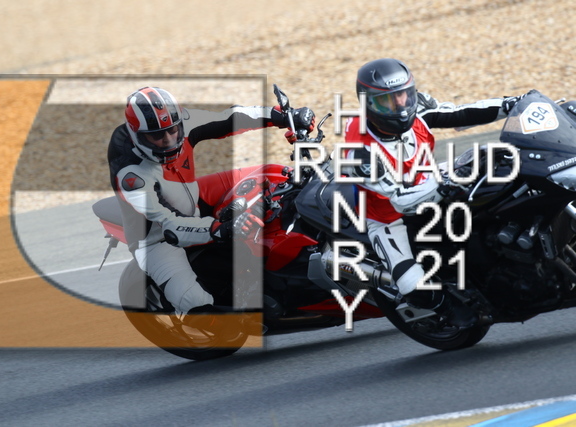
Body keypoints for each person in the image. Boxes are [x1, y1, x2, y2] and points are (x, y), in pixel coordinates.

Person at [342, 58, 526, 325]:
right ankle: (446, 309)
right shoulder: (359, 154)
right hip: (389, 216)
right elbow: (401, 201)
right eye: (387, 101)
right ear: (367, 104)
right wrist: (447, 183)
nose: (400, 106)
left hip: (431, 177)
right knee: (411, 285)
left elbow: (460, 114)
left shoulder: (416, 106)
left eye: (404, 95)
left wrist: (511, 105)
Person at [108, 86, 315, 315]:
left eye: (172, 131)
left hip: (192, 194)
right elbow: (170, 224)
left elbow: (229, 118)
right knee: (200, 308)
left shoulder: (181, 122)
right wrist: (219, 228)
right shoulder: (130, 174)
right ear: (137, 135)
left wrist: (281, 116)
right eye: (157, 136)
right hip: (157, 236)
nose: (168, 140)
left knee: (275, 174)